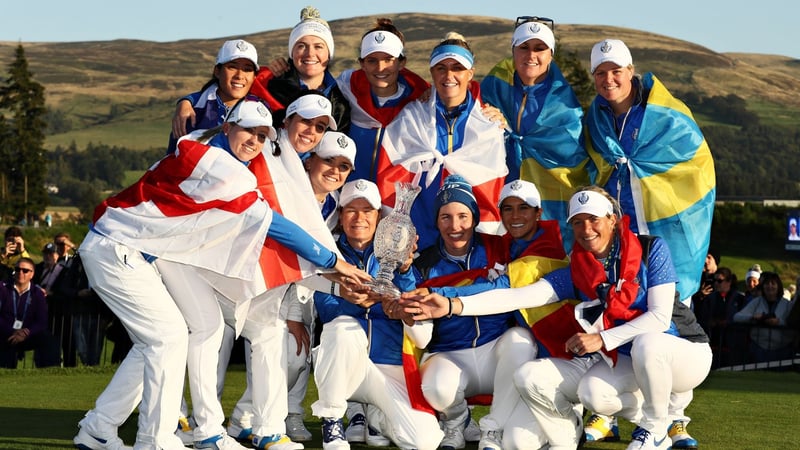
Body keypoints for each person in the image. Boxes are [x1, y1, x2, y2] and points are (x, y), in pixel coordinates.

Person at [72, 98, 369, 450]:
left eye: (261, 135)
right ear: (227, 127)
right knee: (168, 338)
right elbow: (273, 224)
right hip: (117, 248)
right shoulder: (221, 166)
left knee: (158, 341)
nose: (254, 141)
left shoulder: (207, 147)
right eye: (247, 131)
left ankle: (98, 428)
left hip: (127, 249)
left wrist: (332, 275)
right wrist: (334, 264)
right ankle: (159, 439)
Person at [405, 186, 712, 450]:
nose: (586, 229)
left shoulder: (650, 248)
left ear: (612, 220)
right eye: (577, 222)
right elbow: (517, 296)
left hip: (685, 351)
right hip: (629, 359)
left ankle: (657, 428)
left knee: (649, 345)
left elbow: (659, 318)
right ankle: (641, 411)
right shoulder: (577, 269)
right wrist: (450, 306)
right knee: (592, 394)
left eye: (593, 219)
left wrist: (601, 339)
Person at [400, 178, 569, 449]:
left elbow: (512, 284)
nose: (455, 226)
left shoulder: (500, 247)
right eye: (446, 217)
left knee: (520, 339)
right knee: (436, 386)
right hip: (450, 353)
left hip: (496, 352)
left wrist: (447, 297)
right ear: (436, 220)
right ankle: (456, 423)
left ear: (475, 218)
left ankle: (493, 429)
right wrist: (404, 273)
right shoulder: (423, 263)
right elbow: (414, 308)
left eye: (463, 216)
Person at [220, 93, 343, 449]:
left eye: (320, 127)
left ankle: (258, 427)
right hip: (227, 265)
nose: (311, 131)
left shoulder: (291, 164)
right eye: (305, 122)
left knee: (266, 340)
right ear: (285, 121)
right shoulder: (268, 154)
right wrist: (338, 269)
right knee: (204, 341)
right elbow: (275, 224)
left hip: (262, 275)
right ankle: (202, 425)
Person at [311, 179, 443, 450]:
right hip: (346, 365)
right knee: (342, 328)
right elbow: (328, 310)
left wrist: (405, 272)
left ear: (380, 218)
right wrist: (372, 302)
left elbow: (413, 307)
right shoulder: (327, 256)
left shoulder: (397, 255)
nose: (359, 218)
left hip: (388, 365)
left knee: (425, 442)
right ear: (340, 216)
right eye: (351, 210)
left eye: (367, 211)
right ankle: (333, 419)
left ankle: (375, 416)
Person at [584, 39, 716, 306]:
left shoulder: (667, 113)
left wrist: (642, 169)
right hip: (619, 239)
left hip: (664, 232)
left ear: (630, 71)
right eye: (600, 73)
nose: (608, 79)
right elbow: (591, 165)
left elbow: (696, 165)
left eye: (616, 71)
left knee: (667, 324)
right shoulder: (595, 118)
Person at [375, 32, 507, 250]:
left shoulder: (488, 124)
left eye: (457, 68)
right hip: (417, 228)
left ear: (470, 74)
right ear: (432, 73)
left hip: (466, 232)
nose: (449, 75)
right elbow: (389, 172)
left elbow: (495, 185)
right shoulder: (411, 117)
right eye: (441, 68)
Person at [480, 16, 590, 248]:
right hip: (500, 191)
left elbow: (573, 164)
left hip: (548, 200)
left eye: (539, 48)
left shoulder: (565, 106)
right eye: (524, 48)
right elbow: (466, 105)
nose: (531, 56)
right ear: (514, 51)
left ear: (551, 54)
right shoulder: (494, 85)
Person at [282, 130, 356, 442]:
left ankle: (291, 413)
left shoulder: (335, 204)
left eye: (343, 166)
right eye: (328, 161)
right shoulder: (289, 194)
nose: (334, 171)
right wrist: (292, 313)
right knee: (287, 356)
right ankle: (257, 417)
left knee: (299, 355)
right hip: (271, 289)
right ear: (310, 160)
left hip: (308, 287)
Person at [336, 17, 430, 182]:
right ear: (362, 64)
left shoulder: (420, 99)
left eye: (388, 60)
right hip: (351, 198)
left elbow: (459, 98)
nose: (380, 68)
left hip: (393, 198)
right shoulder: (345, 87)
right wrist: (278, 72)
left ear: (402, 63)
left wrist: (488, 110)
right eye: (372, 60)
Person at [249, 5, 350, 132]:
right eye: (301, 46)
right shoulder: (271, 87)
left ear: (329, 54)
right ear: (292, 53)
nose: (310, 53)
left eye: (318, 47)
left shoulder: (341, 98)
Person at [169, 39, 260, 152]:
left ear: (254, 77)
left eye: (247, 69)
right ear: (217, 71)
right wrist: (185, 102)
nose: (239, 76)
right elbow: (173, 158)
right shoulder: (193, 111)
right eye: (232, 67)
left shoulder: (259, 110)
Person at [0, 257, 60, 368]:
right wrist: (12, 331)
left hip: (27, 334)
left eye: (25, 271)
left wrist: (26, 333)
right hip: (6, 333)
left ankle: (50, 371)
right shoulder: (2, 288)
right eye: (17, 269)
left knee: (48, 339)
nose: (20, 273)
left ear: (32, 274)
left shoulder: (37, 293)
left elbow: (41, 321)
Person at [733, 272, 797, 363]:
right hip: (758, 350)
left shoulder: (787, 304)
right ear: (762, 286)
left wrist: (778, 322)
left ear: (778, 286)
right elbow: (737, 317)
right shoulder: (757, 302)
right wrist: (752, 317)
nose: (769, 286)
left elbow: (793, 322)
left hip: (782, 351)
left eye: (773, 283)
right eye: (767, 284)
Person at [694, 266, 748, 368]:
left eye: (719, 281)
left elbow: (742, 318)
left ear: (729, 282)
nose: (716, 283)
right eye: (715, 280)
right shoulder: (709, 299)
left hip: (732, 342)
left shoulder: (740, 299)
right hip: (713, 340)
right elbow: (702, 317)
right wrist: (710, 322)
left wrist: (728, 322)